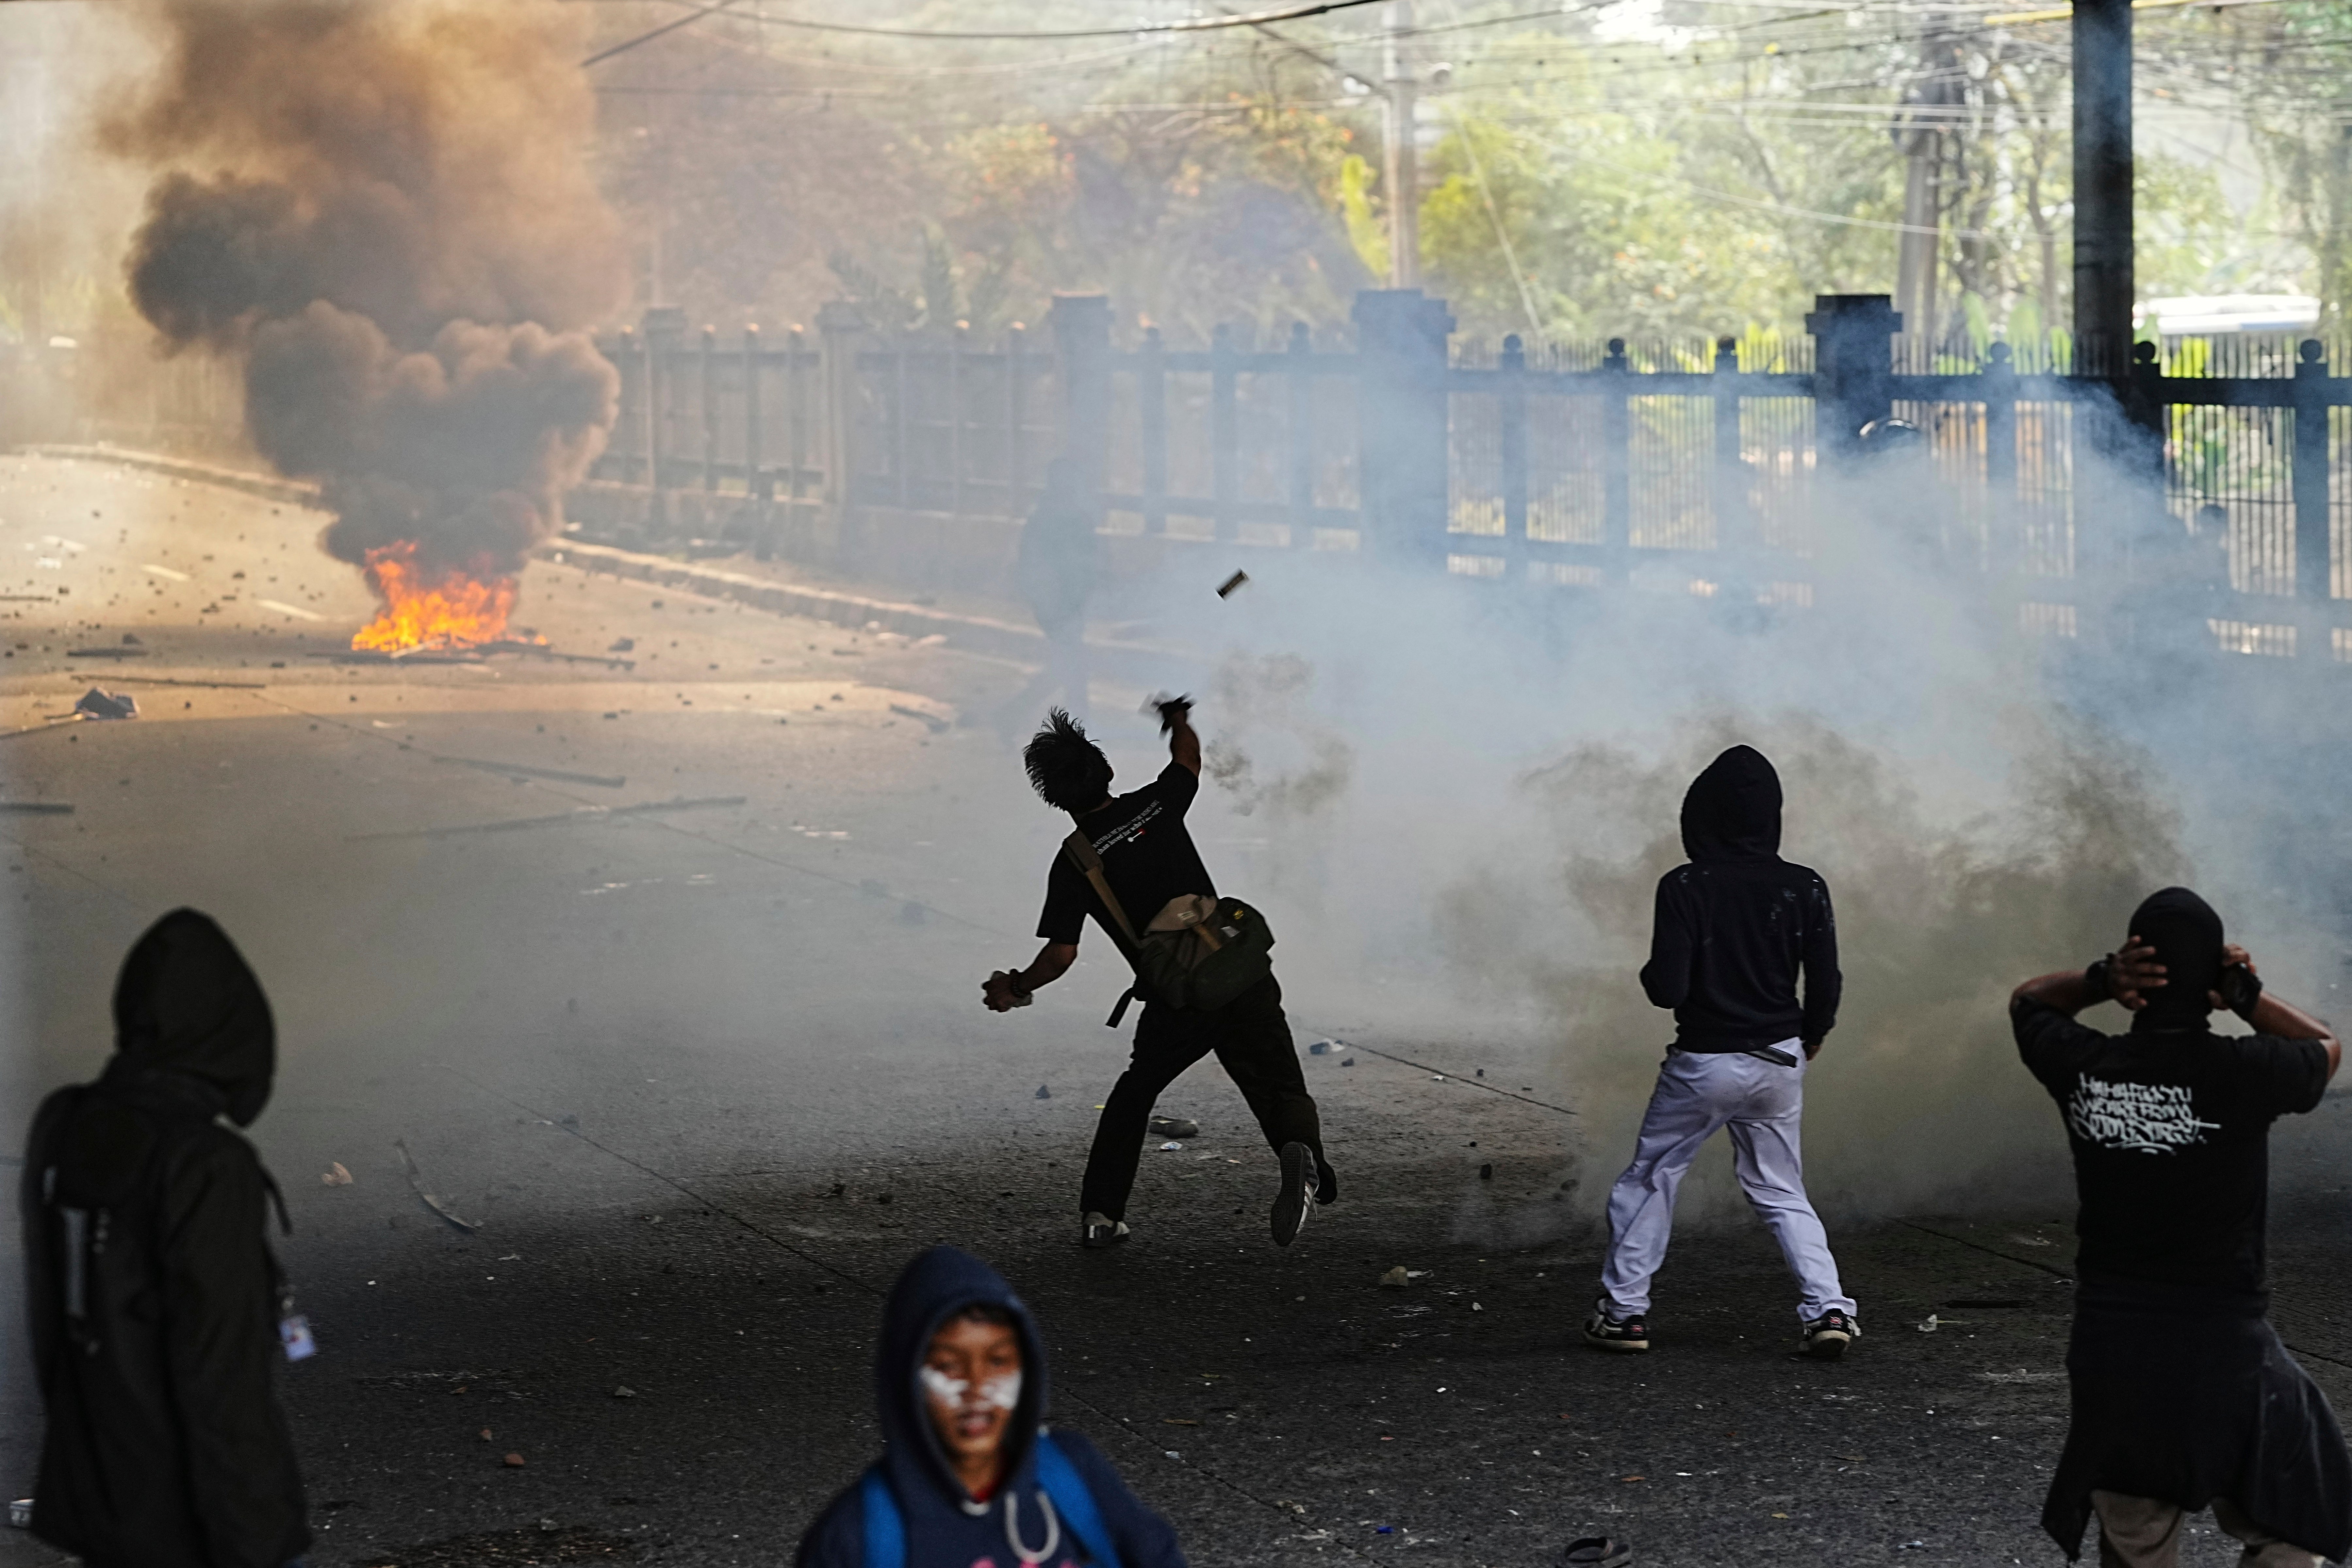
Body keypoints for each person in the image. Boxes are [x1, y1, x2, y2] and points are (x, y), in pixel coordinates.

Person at [2013, 887, 2350, 1567]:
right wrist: (2245, 996)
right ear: (2210, 987)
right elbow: (2324, 1047)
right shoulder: (2244, 1071)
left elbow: (2028, 1002)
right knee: (2296, 1506)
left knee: (2135, 1537)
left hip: (2114, 1352)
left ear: (2134, 975)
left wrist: (2099, 980)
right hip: (2225, 1349)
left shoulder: (2086, 1067)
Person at [982, 702, 1334, 1250]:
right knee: (1278, 1082)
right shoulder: (1157, 804)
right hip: (1239, 972)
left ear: (1053, 798)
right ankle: (1300, 1154)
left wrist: (1015, 989)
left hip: (1180, 1001)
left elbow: (1061, 955)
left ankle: (1102, 1214)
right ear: (1107, 773)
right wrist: (1178, 721)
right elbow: (1189, 759)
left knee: (1134, 1095)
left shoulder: (1075, 859)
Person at [20, 908, 311, 1568]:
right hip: (192, 1525)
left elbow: (50, 1330)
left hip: (101, 1500)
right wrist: (258, 1540)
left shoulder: (65, 1124)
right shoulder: (205, 1163)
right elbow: (220, 1378)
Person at [1585, 744, 1859, 1359]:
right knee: (1781, 1190)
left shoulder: (1684, 886)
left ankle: (1624, 1313)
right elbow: (1826, 978)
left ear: (1698, 817)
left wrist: (1650, 974)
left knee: (1652, 1179)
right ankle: (1829, 1309)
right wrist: (1811, 1036)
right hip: (1779, 1060)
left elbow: (1667, 988)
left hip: (1702, 1064)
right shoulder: (1804, 886)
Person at [795, 1246, 1187, 1568]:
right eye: (948, 1367)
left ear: (1027, 1370)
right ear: (904, 1380)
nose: (976, 1389)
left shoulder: (1070, 1474)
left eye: (997, 1362)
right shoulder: (858, 1536)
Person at [996, 457, 1100, 733]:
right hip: (1058, 601)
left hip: (1065, 600)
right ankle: (1073, 721)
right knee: (1072, 663)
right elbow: (1047, 563)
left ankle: (1075, 720)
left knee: (1070, 663)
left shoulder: (1061, 513)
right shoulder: (1055, 516)